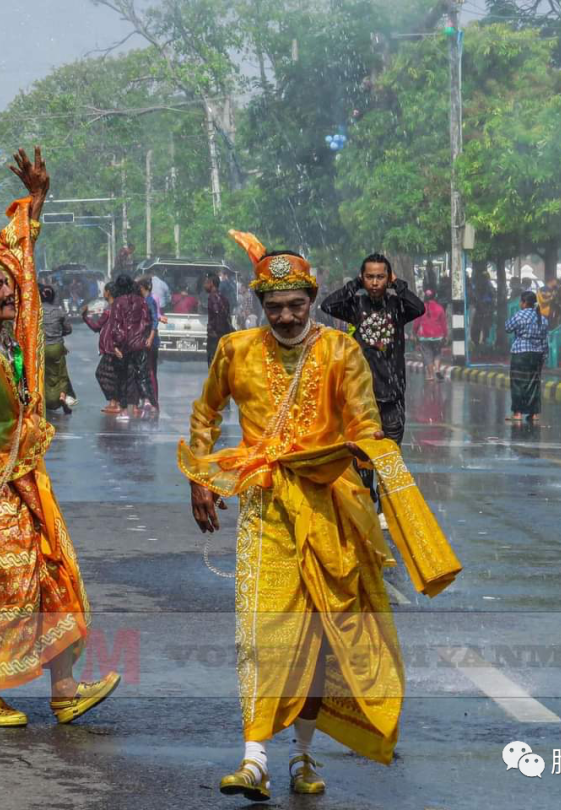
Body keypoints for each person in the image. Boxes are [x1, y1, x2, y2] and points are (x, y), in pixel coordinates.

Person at [180, 230, 460, 801]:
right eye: (275, 307)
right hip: (265, 507)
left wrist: (369, 449)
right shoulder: (235, 351)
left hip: (330, 510)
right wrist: (200, 477)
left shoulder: (341, 351)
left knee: (318, 640)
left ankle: (301, 757)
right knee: (262, 630)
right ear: (260, 306)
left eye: (296, 305)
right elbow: (205, 412)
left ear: (311, 300)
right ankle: (253, 756)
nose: (285, 316)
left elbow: (362, 422)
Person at [0, 149, 120, 728]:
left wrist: (36, 200)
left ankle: (64, 691)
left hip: (23, 476)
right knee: (6, 584)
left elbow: (20, 258)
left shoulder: (15, 338)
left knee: (52, 570)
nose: (8, 294)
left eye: (8, 288)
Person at [321, 254, 425, 510]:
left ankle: (389, 507)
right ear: (362, 278)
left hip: (393, 392)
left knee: (390, 454)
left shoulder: (397, 306)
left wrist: (399, 286)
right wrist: (353, 286)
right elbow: (327, 305)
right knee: (362, 455)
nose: (375, 282)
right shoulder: (355, 306)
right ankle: (367, 498)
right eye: (370, 277)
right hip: (361, 394)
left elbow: (419, 307)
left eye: (380, 277)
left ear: (388, 278)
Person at [107, 274, 154, 419]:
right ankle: (147, 400)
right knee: (142, 374)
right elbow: (147, 321)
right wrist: (145, 337)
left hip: (124, 345)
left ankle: (124, 411)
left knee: (123, 377)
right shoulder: (142, 301)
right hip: (139, 343)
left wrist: (115, 345)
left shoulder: (118, 303)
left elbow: (115, 326)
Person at [505, 291, 549, 422]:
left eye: (521, 301)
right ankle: (534, 413)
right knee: (534, 383)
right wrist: (544, 355)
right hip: (537, 354)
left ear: (524, 303)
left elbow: (507, 328)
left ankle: (517, 413)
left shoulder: (519, 315)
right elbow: (545, 339)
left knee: (518, 383)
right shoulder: (542, 318)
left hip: (521, 353)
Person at [82, 285, 119, 413]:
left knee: (102, 374)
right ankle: (114, 402)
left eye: (104, 290)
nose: (103, 292)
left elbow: (97, 326)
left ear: (108, 292)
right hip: (113, 347)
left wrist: (85, 316)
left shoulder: (111, 309)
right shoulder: (113, 308)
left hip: (112, 347)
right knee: (110, 375)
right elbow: (98, 327)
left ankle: (115, 402)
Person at [41, 285, 76, 414]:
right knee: (62, 376)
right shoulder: (60, 312)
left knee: (43, 374)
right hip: (57, 347)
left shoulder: (35, 312)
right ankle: (63, 398)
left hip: (41, 348)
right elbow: (68, 329)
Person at [139, 278, 166, 412]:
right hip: (147, 340)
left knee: (150, 371)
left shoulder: (149, 300)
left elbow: (155, 320)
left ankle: (153, 400)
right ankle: (149, 399)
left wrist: (150, 338)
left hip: (150, 341)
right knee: (148, 371)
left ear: (143, 287)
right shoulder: (145, 300)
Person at [414, 289, 447, 380]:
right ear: (435, 297)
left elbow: (416, 323)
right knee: (437, 353)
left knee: (427, 355)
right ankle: (437, 370)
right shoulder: (440, 308)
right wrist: (445, 334)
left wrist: (415, 332)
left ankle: (431, 375)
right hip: (437, 336)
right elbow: (443, 323)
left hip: (424, 336)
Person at [204, 272, 233, 365]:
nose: (204, 285)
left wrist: (215, 334)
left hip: (216, 338)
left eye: (206, 283)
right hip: (224, 336)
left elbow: (218, 315)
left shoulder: (212, 297)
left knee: (214, 365)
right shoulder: (224, 298)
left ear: (211, 283)